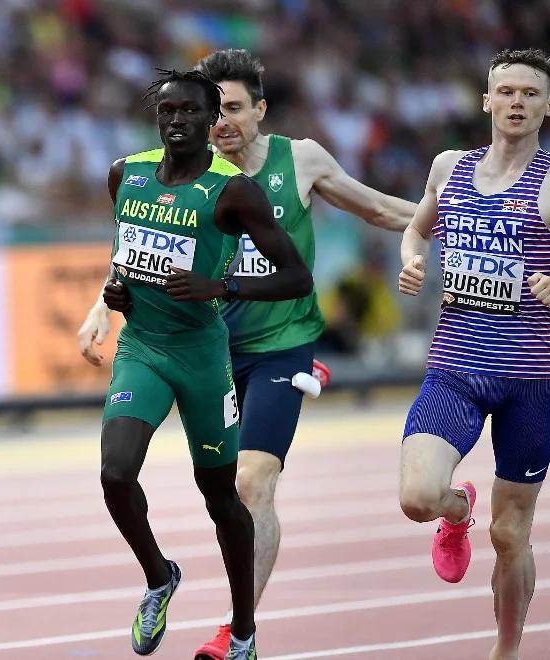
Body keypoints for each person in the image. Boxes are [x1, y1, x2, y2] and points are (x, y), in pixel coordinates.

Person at [79, 48, 418, 659]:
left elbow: (378, 208)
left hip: (279, 346)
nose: (221, 122)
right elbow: (139, 241)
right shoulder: (144, 173)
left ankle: (236, 631)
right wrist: (103, 305)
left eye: (232, 108)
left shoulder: (297, 161)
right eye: (212, 110)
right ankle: (165, 580)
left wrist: (465, 217)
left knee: (251, 483)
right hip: (202, 344)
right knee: (129, 471)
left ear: (256, 110)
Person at [95, 68, 312, 659]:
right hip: (142, 347)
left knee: (221, 497)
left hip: (201, 357)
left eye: (190, 111)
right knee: (116, 474)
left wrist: (219, 284)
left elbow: (297, 277)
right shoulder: (125, 174)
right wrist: (117, 291)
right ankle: (159, 576)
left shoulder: (233, 189)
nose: (177, 121)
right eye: (167, 111)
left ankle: (242, 630)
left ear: (211, 119)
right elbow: (127, 258)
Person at [396, 48, 550, 660]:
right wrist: (410, 261)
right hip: (454, 368)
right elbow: (416, 226)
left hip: (528, 378)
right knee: (417, 498)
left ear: (548, 107)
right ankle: (457, 512)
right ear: (486, 100)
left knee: (511, 535)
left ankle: (505, 651)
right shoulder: (449, 166)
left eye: (530, 94)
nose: (516, 102)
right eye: (505, 91)